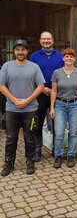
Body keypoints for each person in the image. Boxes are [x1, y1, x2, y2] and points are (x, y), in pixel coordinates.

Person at [0, 39, 45, 176]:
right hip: (12, 110)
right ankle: (9, 162)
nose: (20, 52)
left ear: (27, 51)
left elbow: (41, 86)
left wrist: (27, 100)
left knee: (29, 137)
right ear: (14, 51)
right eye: (18, 49)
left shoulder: (34, 67)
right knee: (11, 137)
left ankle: (30, 161)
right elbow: (2, 86)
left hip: (30, 110)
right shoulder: (7, 66)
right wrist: (14, 100)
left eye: (23, 49)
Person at [30, 31, 64, 161]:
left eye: (48, 39)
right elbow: (31, 75)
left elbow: (64, 73)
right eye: (43, 39)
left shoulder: (60, 56)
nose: (46, 41)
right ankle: (37, 150)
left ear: (53, 40)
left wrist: (55, 89)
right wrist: (43, 88)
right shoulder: (34, 56)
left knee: (57, 123)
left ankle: (57, 148)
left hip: (57, 95)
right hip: (40, 94)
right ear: (40, 41)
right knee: (37, 122)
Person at [50, 48, 77, 168]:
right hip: (60, 105)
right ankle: (58, 156)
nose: (69, 58)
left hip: (75, 105)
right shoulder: (57, 73)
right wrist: (52, 108)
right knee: (59, 132)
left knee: (74, 133)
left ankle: (71, 155)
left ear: (74, 59)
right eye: (66, 56)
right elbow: (54, 91)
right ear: (63, 58)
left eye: (71, 56)